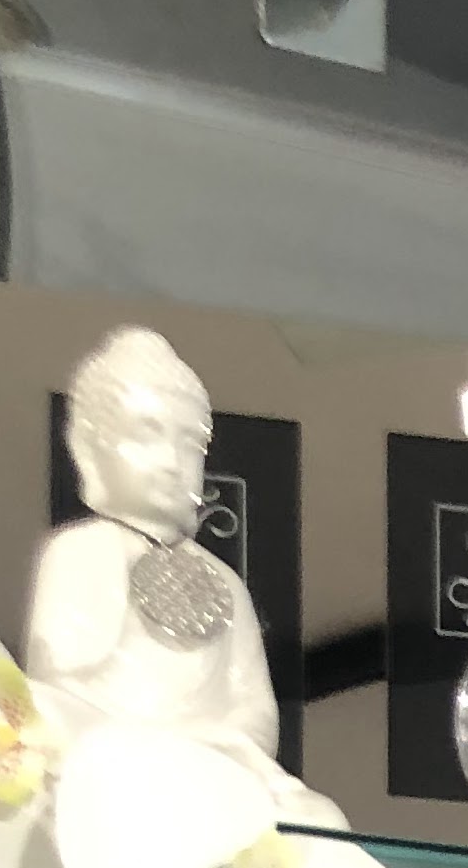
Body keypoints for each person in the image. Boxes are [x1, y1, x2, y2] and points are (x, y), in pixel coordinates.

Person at [28, 328, 288, 772]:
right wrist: (144, 746)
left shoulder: (227, 583)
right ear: (89, 447)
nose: (171, 462)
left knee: (313, 810)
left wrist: (211, 745)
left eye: (190, 445)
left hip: (208, 768)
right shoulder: (76, 551)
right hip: (107, 761)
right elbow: (55, 684)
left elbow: (257, 713)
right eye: (146, 434)